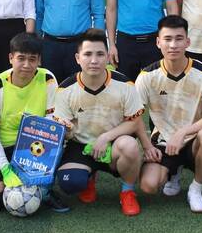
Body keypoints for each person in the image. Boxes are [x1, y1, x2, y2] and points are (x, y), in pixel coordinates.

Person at [135, 15, 202, 213]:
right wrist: (147, 146)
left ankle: (196, 189)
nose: (173, 45)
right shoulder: (147, 76)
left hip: (194, 141)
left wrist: (183, 132)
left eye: (179, 38)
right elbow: (134, 117)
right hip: (164, 141)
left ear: (187, 42)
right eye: (167, 39)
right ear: (158, 42)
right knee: (149, 186)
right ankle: (173, 171)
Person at [53, 29, 145, 216]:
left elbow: (134, 122)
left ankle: (127, 191)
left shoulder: (125, 85)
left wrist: (105, 137)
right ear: (78, 58)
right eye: (88, 54)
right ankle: (88, 178)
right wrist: (67, 130)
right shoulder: (65, 89)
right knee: (69, 183)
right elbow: (65, 132)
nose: (94, 60)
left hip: (114, 145)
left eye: (100, 54)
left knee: (130, 146)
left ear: (108, 56)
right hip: (81, 145)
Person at [0, 32, 68, 213]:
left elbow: (50, 120)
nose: (26, 65)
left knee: (59, 135)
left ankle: (45, 191)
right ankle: (17, 183)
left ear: (39, 60)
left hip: (34, 148)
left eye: (32, 59)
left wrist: (36, 159)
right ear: (11, 58)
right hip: (4, 147)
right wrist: (5, 169)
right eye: (21, 58)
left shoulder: (47, 78)